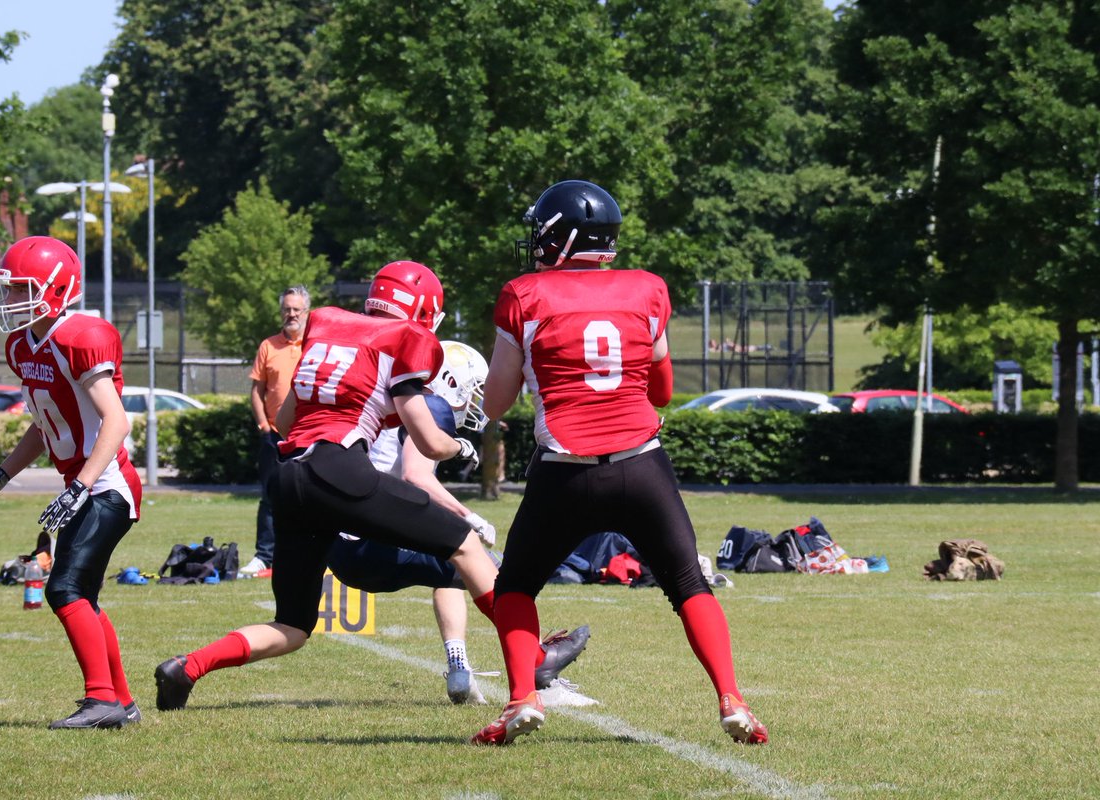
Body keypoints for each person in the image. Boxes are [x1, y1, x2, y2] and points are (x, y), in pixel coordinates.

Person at [152, 261, 586, 714]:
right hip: (338, 469)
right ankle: (534, 662)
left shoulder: (326, 330)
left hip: (288, 477)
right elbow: (428, 441)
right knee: (466, 546)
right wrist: (460, 448)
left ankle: (188, 667)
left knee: (293, 624)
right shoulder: (401, 340)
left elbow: (283, 423)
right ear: (420, 309)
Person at [471, 180, 768, 746]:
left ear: (564, 237)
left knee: (515, 586)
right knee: (689, 585)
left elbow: (497, 400)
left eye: (544, 231)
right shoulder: (648, 290)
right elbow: (661, 390)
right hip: (641, 464)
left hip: (565, 467)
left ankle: (522, 699)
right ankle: (731, 697)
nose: (536, 240)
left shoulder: (524, 294)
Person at [325, 340, 588, 704]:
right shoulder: (433, 407)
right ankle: (541, 672)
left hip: (346, 547)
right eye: (473, 390)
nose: (476, 400)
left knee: (455, 558)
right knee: (501, 579)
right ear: (451, 381)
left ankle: (459, 665)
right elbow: (417, 477)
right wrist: (470, 515)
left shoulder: (400, 402)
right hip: (372, 541)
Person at [0, 235, 142, 730]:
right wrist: (0, 476)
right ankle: (120, 700)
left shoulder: (81, 336)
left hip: (107, 484)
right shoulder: (23, 344)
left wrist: (79, 485)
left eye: (21, 289)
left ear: (57, 288)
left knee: (65, 588)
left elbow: (116, 421)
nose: (11, 300)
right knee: (83, 595)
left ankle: (102, 702)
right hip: (82, 483)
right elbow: (43, 423)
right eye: (11, 290)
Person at [243, 286, 311, 576]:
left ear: (306, 311)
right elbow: (257, 391)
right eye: (287, 309)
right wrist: (262, 425)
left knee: (311, 497)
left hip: (308, 434)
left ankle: (312, 553)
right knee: (270, 496)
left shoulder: (315, 344)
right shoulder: (268, 346)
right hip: (274, 435)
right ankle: (264, 556)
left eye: (296, 309)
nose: (291, 314)